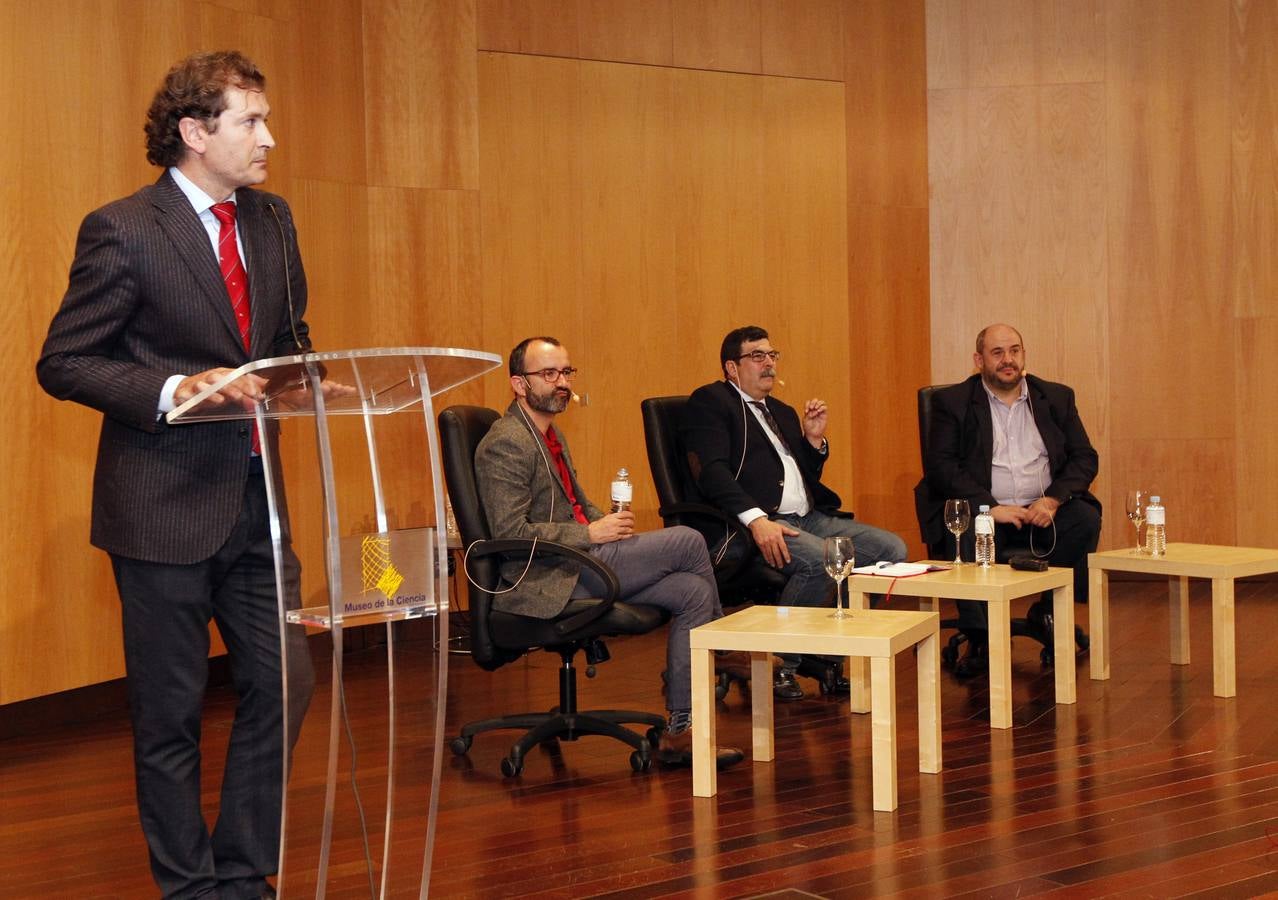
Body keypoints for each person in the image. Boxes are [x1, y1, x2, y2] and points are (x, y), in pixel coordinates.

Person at [36, 51, 314, 900]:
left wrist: (309, 374)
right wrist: (168, 388)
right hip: (159, 509)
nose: (269, 137)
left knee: (286, 683)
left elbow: (289, 330)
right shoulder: (123, 228)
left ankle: (242, 869)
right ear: (195, 133)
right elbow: (66, 361)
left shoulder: (271, 219)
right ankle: (188, 886)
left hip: (256, 497)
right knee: (170, 713)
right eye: (250, 121)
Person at [474, 337, 746, 769]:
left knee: (692, 590)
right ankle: (723, 646)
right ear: (518, 384)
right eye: (549, 374)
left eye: (566, 372)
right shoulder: (505, 442)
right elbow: (510, 532)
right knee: (690, 540)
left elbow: (577, 504)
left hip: (580, 560)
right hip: (548, 576)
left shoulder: (550, 434)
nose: (561, 383)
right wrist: (592, 534)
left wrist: (608, 526)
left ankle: (681, 730)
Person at [680, 325, 909, 701]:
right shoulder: (711, 402)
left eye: (772, 355)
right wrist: (756, 520)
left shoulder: (782, 412)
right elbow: (711, 471)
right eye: (757, 356)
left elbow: (801, 478)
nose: (768, 363)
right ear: (732, 368)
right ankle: (781, 663)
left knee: (892, 550)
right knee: (823, 562)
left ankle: (826, 647)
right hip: (760, 523)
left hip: (810, 518)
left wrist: (814, 442)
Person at [916, 323, 1101, 677]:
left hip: (1040, 512)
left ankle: (1047, 610)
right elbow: (941, 467)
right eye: (997, 353)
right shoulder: (952, 402)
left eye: (1014, 350)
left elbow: (1084, 457)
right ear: (979, 360)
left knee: (1085, 518)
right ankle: (978, 632)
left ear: (1023, 355)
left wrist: (1053, 501)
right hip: (987, 512)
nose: (1007, 360)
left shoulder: (1056, 397)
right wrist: (991, 507)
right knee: (966, 522)